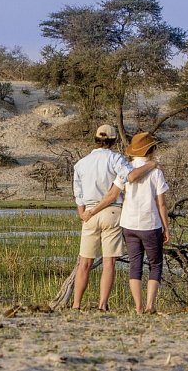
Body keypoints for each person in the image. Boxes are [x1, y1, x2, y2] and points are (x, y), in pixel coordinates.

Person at [71, 124, 157, 311]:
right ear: (113, 140)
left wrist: (83, 214)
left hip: (89, 213)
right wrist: (151, 164)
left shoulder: (81, 163)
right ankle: (102, 304)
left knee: (85, 261)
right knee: (109, 261)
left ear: (95, 139)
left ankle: (76, 304)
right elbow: (131, 176)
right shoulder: (115, 158)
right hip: (112, 211)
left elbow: (78, 194)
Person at [87, 132, 170, 314]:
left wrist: (92, 211)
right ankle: (150, 305)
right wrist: (166, 226)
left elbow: (112, 195)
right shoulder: (156, 172)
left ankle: (138, 306)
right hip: (150, 223)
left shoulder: (125, 169)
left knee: (135, 264)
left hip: (129, 223)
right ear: (151, 150)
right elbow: (161, 203)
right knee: (155, 264)